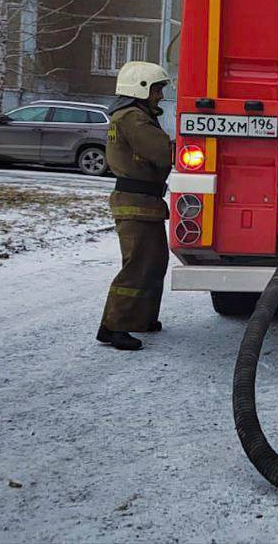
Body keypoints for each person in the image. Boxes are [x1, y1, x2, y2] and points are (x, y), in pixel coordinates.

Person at [97, 61, 172, 351]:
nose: (160, 96)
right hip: (136, 202)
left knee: (154, 262)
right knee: (138, 266)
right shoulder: (133, 117)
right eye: (156, 90)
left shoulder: (132, 115)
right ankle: (114, 327)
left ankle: (140, 318)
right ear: (140, 88)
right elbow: (162, 152)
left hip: (144, 202)